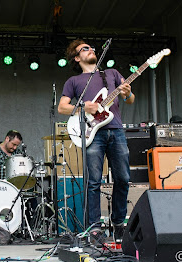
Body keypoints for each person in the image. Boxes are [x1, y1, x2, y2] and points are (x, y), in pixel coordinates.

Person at [58, 39, 134, 244]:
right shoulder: (73, 81)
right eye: (85, 48)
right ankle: (94, 228)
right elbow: (62, 107)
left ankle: (119, 224)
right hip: (93, 134)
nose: (90, 49)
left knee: (122, 178)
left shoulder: (112, 74)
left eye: (91, 47)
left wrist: (127, 93)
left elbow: (130, 98)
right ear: (77, 57)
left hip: (116, 130)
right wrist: (85, 107)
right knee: (93, 182)